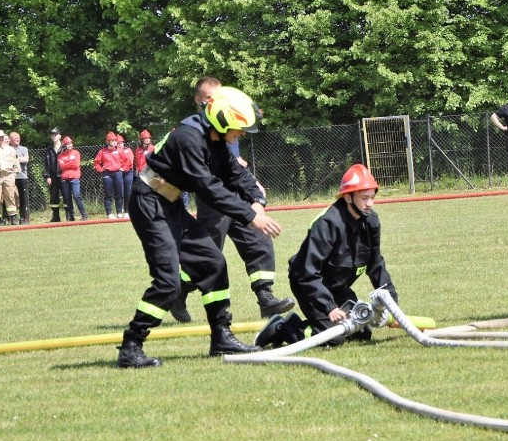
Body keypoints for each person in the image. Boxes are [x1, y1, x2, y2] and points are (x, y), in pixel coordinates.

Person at [116, 86, 282, 368]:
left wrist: (257, 198)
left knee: (213, 263)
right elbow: (209, 188)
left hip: (170, 205)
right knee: (167, 282)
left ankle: (221, 336)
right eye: (239, 129)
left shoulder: (214, 139)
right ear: (223, 120)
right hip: (150, 204)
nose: (241, 135)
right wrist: (250, 216)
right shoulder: (188, 139)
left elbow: (234, 173)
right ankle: (131, 345)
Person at [170, 76, 295, 323]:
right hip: (214, 197)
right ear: (198, 101)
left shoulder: (229, 121)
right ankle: (179, 292)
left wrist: (255, 195)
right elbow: (207, 178)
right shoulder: (193, 131)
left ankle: (266, 298)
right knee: (208, 254)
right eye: (209, 99)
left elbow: (233, 167)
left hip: (236, 191)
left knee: (258, 239)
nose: (216, 103)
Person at [254, 163, 399, 349]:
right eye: (364, 198)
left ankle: (312, 325)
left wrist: (392, 304)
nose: (369, 203)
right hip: (309, 283)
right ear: (348, 197)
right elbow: (307, 272)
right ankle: (284, 327)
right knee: (333, 338)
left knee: (361, 331)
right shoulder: (328, 223)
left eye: (372, 197)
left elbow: (376, 264)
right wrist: (329, 306)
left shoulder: (371, 222)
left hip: (338, 286)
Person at [93, 132, 124, 219]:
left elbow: (126, 160)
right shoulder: (102, 151)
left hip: (118, 173)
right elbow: (96, 162)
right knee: (108, 194)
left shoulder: (119, 150)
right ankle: (109, 213)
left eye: (115, 140)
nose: (114, 142)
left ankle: (119, 212)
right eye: (112, 140)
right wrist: (100, 170)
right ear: (108, 141)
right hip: (107, 174)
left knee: (119, 193)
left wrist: (123, 168)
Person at [57, 136, 88, 221]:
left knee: (76, 195)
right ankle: (71, 216)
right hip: (65, 178)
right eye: (67, 144)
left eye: (70, 143)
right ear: (64, 145)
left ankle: (84, 214)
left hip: (74, 177)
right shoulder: (60, 155)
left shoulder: (76, 153)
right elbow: (61, 166)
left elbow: (76, 165)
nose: (69, 145)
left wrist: (67, 163)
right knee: (67, 197)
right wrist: (70, 163)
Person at [42, 127, 65, 222]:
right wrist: (47, 176)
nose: (53, 136)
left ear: (59, 136)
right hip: (53, 177)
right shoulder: (49, 149)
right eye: (52, 135)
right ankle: (56, 216)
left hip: (63, 176)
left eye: (55, 134)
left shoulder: (64, 147)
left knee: (66, 196)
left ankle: (69, 215)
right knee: (54, 197)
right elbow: (46, 164)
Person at [9, 131, 30, 224]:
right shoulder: (8, 149)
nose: (17, 139)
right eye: (15, 138)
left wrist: (14, 159)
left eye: (18, 138)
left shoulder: (23, 149)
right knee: (10, 197)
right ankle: (10, 218)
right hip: (10, 177)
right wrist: (19, 159)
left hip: (22, 177)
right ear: (10, 140)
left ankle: (23, 218)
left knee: (23, 198)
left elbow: (26, 159)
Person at [117, 134, 133, 218]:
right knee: (120, 192)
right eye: (118, 143)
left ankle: (127, 211)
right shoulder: (115, 152)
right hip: (119, 172)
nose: (120, 144)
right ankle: (119, 211)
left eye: (121, 143)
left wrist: (123, 168)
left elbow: (130, 161)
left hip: (127, 172)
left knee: (128, 192)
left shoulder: (128, 150)